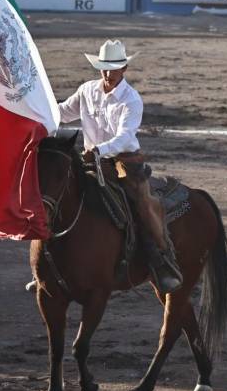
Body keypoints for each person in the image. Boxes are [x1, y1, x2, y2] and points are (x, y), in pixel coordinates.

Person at [58, 40, 182, 293]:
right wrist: (36, 110)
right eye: (104, 67)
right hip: (92, 160)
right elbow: (61, 113)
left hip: (124, 162)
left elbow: (125, 137)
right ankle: (54, 265)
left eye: (113, 68)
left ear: (124, 68)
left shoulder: (131, 99)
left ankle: (161, 260)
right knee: (58, 192)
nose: (107, 73)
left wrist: (100, 150)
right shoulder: (86, 90)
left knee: (142, 205)